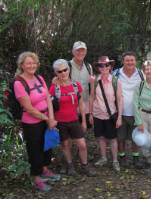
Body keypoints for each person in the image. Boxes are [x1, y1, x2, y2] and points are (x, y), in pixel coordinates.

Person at [14, 52, 60, 192]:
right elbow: (28, 108)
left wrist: (51, 118)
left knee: (47, 145)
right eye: (28, 63)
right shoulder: (18, 83)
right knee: (35, 149)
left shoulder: (39, 78)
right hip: (31, 122)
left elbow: (48, 99)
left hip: (46, 118)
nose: (32, 65)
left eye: (34, 63)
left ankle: (44, 170)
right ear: (21, 65)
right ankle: (36, 178)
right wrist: (47, 119)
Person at [49, 59, 96, 177]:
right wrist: (51, 120)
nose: (63, 73)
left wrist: (84, 121)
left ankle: (85, 165)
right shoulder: (54, 87)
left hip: (74, 120)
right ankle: (70, 166)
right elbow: (49, 104)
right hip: (60, 122)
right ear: (56, 73)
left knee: (82, 144)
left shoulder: (76, 85)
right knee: (65, 145)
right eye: (59, 71)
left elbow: (81, 104)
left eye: (65, 70)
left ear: (69, 70)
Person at [89, 56, 123, 172]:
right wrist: (90, 114)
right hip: (97, 114)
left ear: (110, 67)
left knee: (113, 139)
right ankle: (103, 158)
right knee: (101, 137)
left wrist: (119, 117)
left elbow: (119, 100)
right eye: (101, 65)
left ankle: (115, 160)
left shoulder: (115, 81)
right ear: (98, 67)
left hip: (111, 115)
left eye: (106, 65)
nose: (104, 67)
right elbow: (92, 97)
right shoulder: (95, 80)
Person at [112, 51, 144, 166]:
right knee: (120, 138)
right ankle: (122, 157)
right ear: (123, 61)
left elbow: (148, 88)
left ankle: (136, 158)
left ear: (135, 61)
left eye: (132, 60)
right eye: (127, 60)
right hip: (121, 113)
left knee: (135, 137)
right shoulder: (116, 74)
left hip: (136, 113)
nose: (130, 62)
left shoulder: (141, 74)